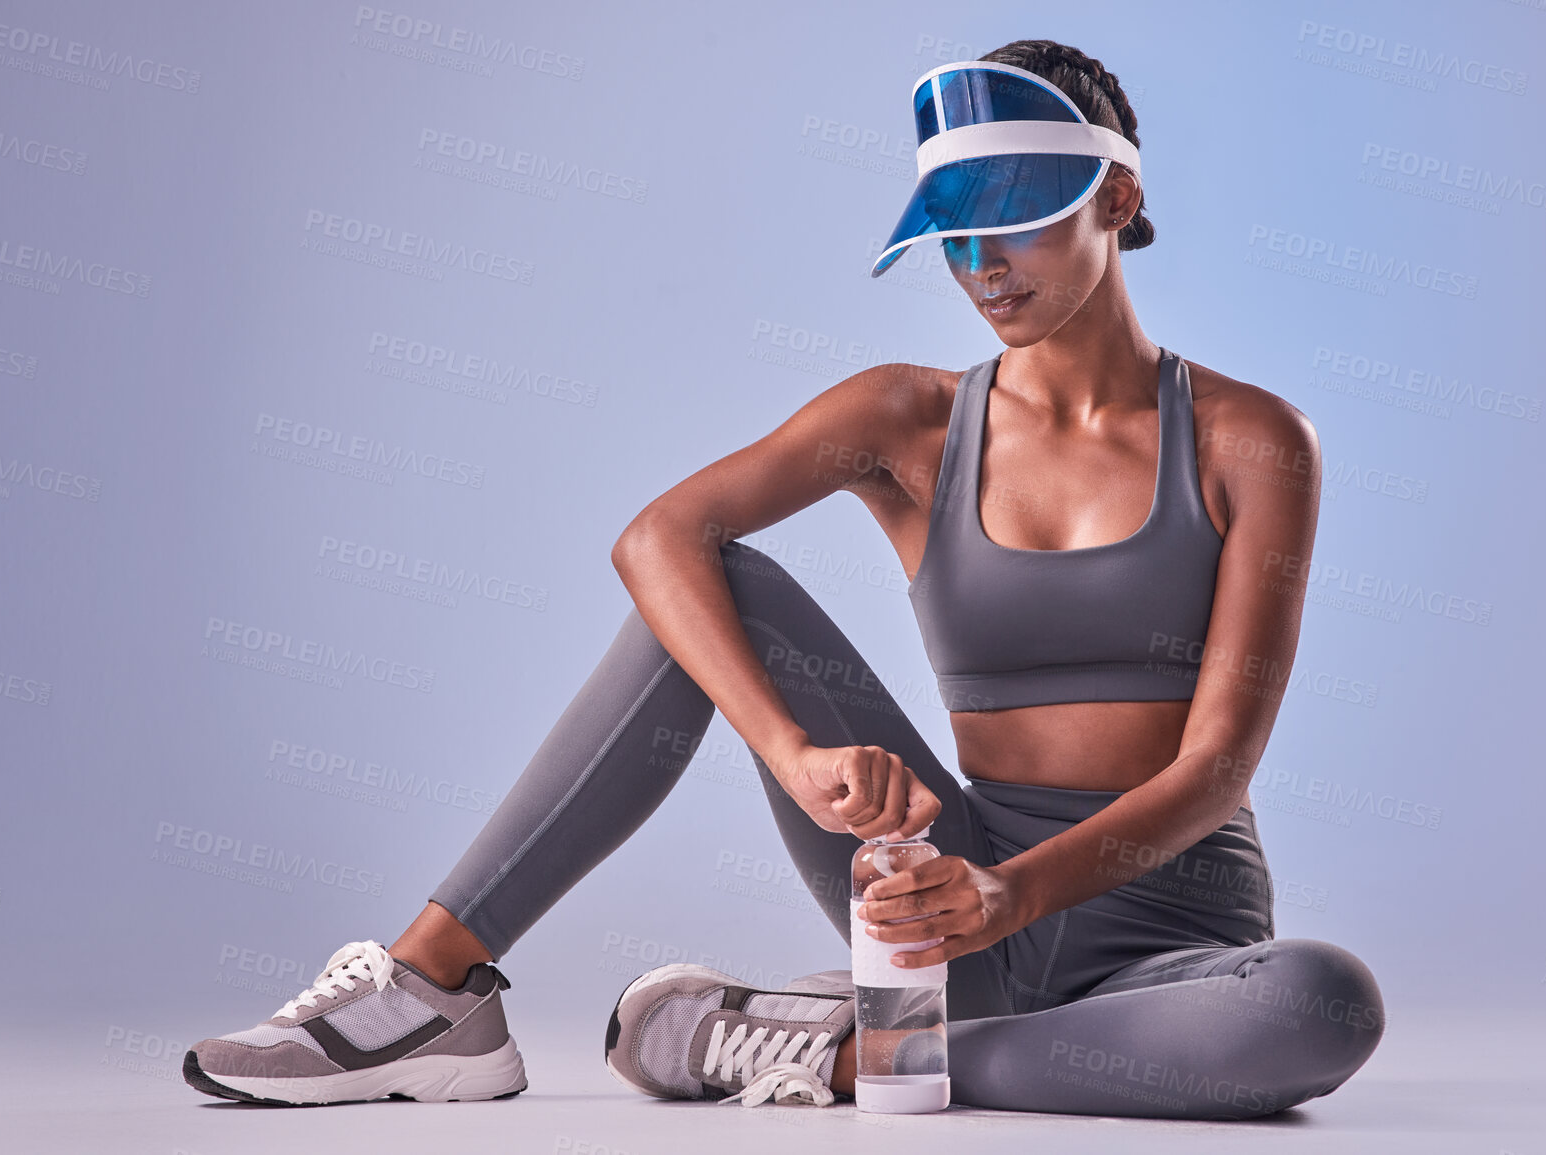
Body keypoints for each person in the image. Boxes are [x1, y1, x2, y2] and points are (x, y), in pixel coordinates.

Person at [183, 39, 1384, 1119]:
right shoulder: (909, 420)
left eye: (1010, 219)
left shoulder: (1251, 439)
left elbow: (1217, 765)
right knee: (707, 588)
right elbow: (658, 536)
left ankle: (841, 1050)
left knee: (1322, 1005)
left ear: (1115, 196)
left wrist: (1015, 896)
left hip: (1174, 942)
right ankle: (430, 989)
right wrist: (797, 756)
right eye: (951, 236)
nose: (980, 265)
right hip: (940, 893)